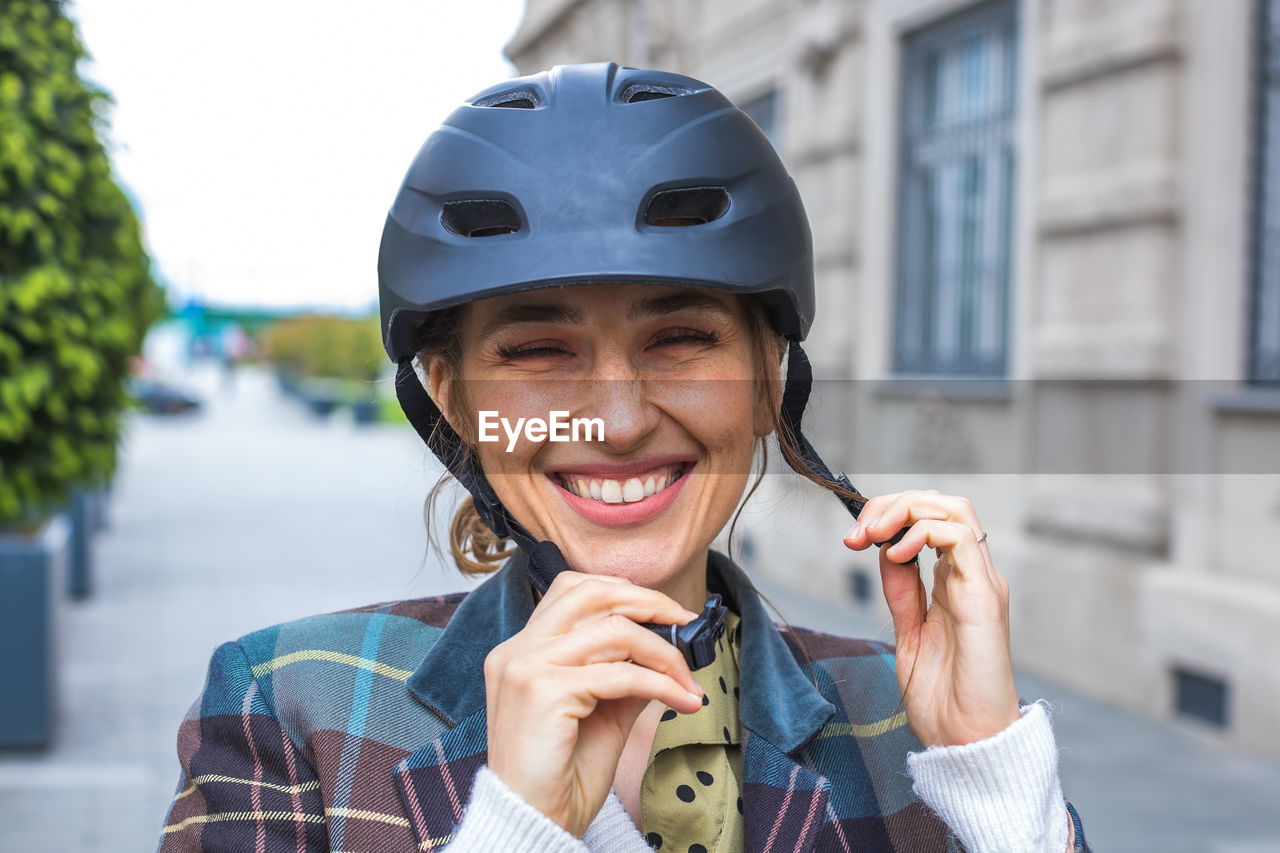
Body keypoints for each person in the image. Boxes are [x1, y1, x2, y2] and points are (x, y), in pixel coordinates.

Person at [157, 63, 1089, 853]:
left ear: (771, 377)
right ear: (451, 397)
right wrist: (520, 826)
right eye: (537, 351)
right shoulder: (294, 710)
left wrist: (990, 778)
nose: (617, 419)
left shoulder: (911, 726)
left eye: (679, 337)